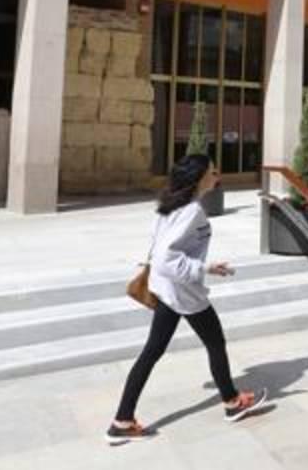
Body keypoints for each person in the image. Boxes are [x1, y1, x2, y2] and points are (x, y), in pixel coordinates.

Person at [106, 155, 267, 445]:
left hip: (169, 289)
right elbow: (167, 257)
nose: (217, 177)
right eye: (212, 172)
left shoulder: (169, 204)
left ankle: (123, 420)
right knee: (214, 342)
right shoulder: (192, 211)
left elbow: (158, 250)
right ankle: (231, 402)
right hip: (183, 292)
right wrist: (205, 268)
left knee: (153, 352)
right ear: (198, 178)